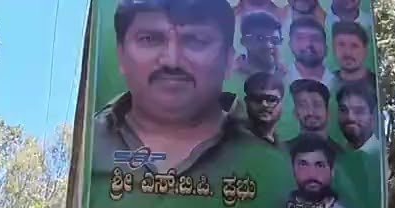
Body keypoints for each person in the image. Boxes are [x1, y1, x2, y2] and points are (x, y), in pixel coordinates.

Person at [93, 0, 270, 180]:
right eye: (149, 39)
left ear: (229, 60)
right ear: (121, 56)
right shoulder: (88, 146)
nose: (172, 61)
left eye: (196, 40)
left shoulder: (271, 160)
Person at [285, 134, 353, 208]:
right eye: (303, 164)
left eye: (320, 165)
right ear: (293, 170)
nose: (312, 174)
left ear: (332, 171)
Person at [287, 79, 341, 151]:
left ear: (328, 112)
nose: (310, 112)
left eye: (317, 105)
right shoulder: (282, 152)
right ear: (295, 112)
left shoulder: (341, 155)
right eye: (303, 105)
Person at [284, 17, 336, 89]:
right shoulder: (281, 81)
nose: (308, 44)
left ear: (326, 47)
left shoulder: (338, 84)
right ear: (290, 45)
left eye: (315, 38)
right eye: (301, 38)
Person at [232, 11, 284, 79]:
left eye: (275, 39)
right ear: (245, 41)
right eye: (260, 38)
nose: (268, 45)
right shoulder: (228, 79)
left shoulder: (291, 77)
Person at [244, 71, 285, 147]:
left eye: (271, 99)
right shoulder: (233, 141)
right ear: (246, 101)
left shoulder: (286, 150)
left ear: (282, 103)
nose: (264, 104)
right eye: (257, 98)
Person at [336, 80, 379, 152]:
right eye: (343, 110)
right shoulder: (337, 155)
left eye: (358, 111)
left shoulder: (378, 156)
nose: (350, 117)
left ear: (372, 116)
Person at [331, 21, 377, 86]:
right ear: (333, 48)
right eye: (341, 44)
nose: (348, 52)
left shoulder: (377, 84)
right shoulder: (327, 82)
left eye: (354, 46)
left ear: (365, 50)